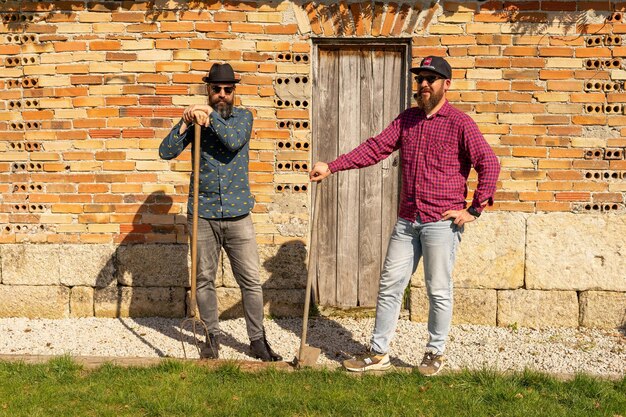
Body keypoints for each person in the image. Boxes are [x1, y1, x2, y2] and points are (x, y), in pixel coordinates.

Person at [309, 56, 500, 376]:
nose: (423, 84)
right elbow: (374, 148)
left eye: (431, 79)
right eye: (420, 79)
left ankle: (434, 352)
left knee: (438, 289)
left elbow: (489, 164)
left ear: (446, 85)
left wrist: (474, 209)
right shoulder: (407, 120)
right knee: (389, 286)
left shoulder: (460, 123)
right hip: (407, 221)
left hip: (442, 223)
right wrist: (332, 166)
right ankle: (379, 352)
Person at [159, 63, 282, 362]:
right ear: (209, 90)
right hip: (203, 214)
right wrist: (186, 122)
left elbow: (232, 141)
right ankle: (211, 337)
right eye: (216, 90)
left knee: (250, 280)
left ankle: (257, 340)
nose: (222, 95)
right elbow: (166, 151)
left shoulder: (243, 118)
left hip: (238, 215)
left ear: (234, 92)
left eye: (228, 90)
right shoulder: (198, 123)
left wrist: (209, 115)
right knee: (204, 279)